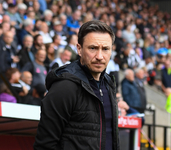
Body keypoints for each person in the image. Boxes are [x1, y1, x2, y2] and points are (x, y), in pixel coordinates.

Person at [34, 20, 119, 150]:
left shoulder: (109, 85)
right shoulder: (64, 86)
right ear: (79, 49)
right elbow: (45, 144)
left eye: (105, 49)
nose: (100, 56)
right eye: (93, 48)